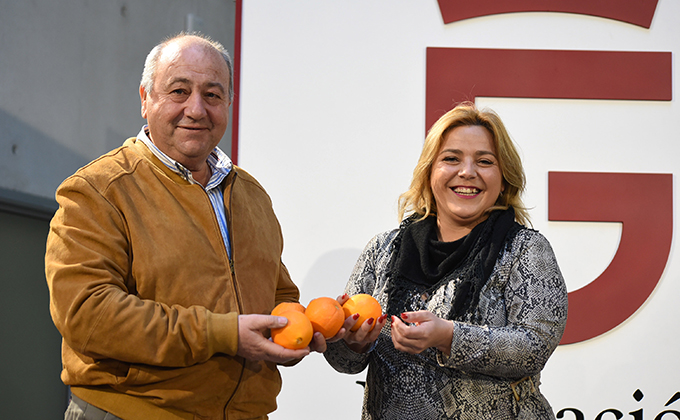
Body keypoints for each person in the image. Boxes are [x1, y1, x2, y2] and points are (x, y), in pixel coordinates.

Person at [45, 32, 325, 420]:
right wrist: (223, 334)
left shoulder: (250, 195)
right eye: (179, 91)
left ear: (228, 104)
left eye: (212, 95)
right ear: (145, 99)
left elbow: (277, 295)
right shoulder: (98, 189)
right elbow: (88, 315)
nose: (196, 109)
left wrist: (314, 327)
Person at [324, 102, 569, 419]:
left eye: (484, 161)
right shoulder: (382, 249)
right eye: (451, 159)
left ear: (504, 177)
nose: (467, 172)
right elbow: (347, 362)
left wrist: (449, 337)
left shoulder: (526, 249)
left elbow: (534, 346)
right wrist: (352, 342)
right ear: (429, 172)